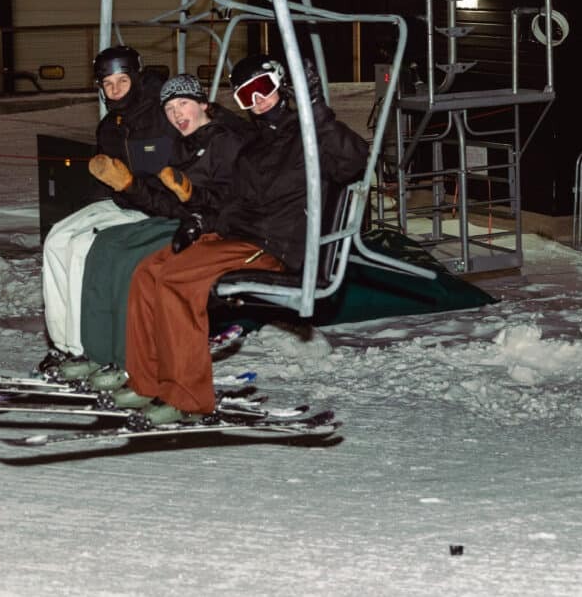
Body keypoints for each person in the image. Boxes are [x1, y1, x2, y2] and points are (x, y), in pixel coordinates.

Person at [117, 54, 370, 424]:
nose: (258, 101)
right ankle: (146, 381)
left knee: (176, 280)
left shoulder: (310, 135)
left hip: (275, 246)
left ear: (281, 85)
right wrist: (201, 220)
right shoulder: (253, 146)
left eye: (262, 89)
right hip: (239, 236)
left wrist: (316, 110)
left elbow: (353, 161)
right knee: (147, 272)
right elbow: (233, 203)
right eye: (245, 97)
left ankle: (186, 396)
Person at [71, 74, 251, 387]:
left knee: (134, 264)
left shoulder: (226, 143)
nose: (178, 114)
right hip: (179, 219)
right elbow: (165, 204)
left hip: (210, 228)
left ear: (203, 104)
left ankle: (130, 361)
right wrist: (129, 186)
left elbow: (232, 201)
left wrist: (193, 196)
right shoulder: (179, 146)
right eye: (169, 109)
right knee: (105, 247)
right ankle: (97, 354)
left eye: (184, 104)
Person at [39, 45, 176, 376]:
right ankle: (64, 344)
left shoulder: (161, 114)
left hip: (155, 207)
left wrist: (129, 182)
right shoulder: (111, 124)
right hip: (125, 202)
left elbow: (168, 180)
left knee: (84, 248)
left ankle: (85, 346)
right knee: (57, 239)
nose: (114, 91)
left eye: (122, 82)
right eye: (107, 84)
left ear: (136, 79)